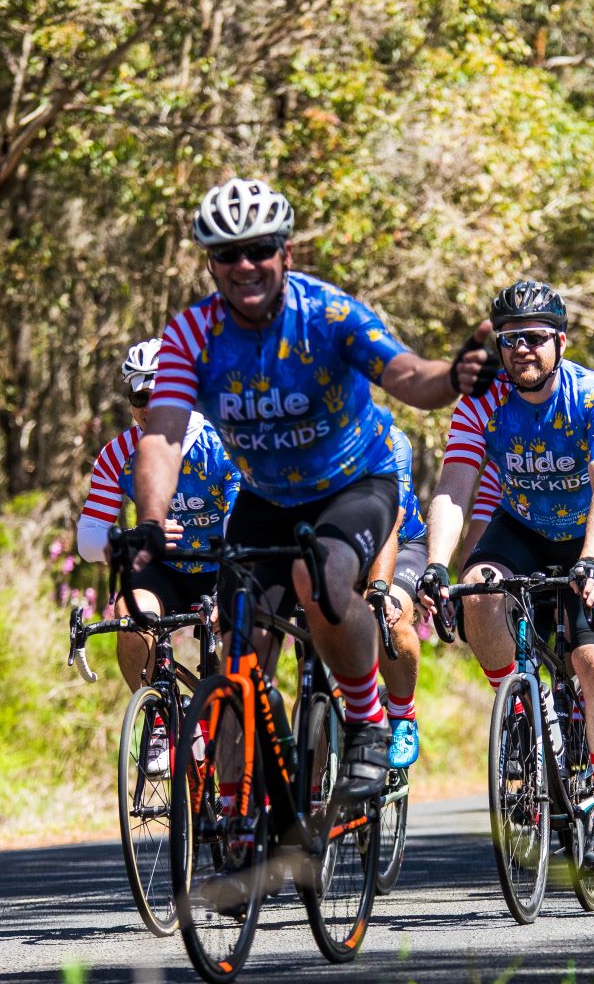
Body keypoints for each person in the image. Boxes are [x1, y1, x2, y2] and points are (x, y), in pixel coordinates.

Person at [133, 178, 492, 800]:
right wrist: (150, 519)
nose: (245, 265)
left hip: (355, 482)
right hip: (266, 496)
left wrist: (454, 375)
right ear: (210, 263)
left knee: (319, 580)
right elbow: (162, 435)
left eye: (260, 249)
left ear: (286, 252)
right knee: (239, 649)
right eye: (227, 254)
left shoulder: (327, 314)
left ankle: (366, 718)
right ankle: (236, 813)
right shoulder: (192, 334)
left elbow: (409, 377)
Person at [418, 281, 594, 868]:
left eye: (535, 339)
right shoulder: (481, 400)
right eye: (511, 340)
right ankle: (521, 710)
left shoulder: (593, 393)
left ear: (559, 342)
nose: (522, 351)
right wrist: (437, 564)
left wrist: (590, 559)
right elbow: (455, 487)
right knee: (479, 593)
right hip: (523, 528)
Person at [77, 338, 240, 777]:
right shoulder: (118, 454)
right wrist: (129, 539)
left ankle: (237, 768)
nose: (151, 406)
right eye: (140, 396)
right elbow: (88, 538)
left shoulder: (223, 446)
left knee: (234, 657)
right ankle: (160, 718)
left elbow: (238, 526)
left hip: (220, 567)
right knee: (130, 613)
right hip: (162, 571)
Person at [378, 425, 428, 770]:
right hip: (340, 553)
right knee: (317, 672)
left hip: (401, 544)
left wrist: (379, 590)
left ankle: (401, 712)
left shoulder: (391, 440)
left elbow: (389, 520)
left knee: (391, 615)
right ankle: (316, 797)